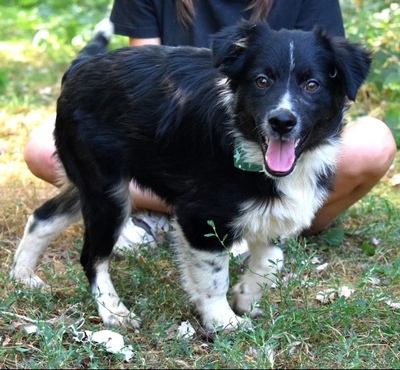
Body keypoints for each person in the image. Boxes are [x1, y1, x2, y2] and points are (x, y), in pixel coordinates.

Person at [24, 0, 396, 248]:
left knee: (374, 142)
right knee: (42, 149)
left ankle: (270, 228)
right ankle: (201, 214)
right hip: (185, 146)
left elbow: (329, 83)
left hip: (283, 158)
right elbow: (133, 91)